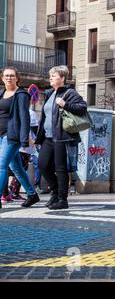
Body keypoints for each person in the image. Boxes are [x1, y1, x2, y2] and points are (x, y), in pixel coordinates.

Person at [35, 65, 88, 210]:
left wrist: (65, 104)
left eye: (54, 76)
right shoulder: (50, 93)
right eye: (50, 75)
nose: (50, 78)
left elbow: (83, 107)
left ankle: (62, 199)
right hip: (48, 137)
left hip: (62, 136)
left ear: (62, 78)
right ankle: (55, 191)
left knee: (60, 168)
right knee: (43, 165)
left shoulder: (69, 92)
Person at [0, 67, 39, 209]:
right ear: (2, 78)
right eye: (6, 76)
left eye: (12, 75)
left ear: (17, 78)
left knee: (1, 165)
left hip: (11, 136)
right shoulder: (1, 93)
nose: (9, 78)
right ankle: (32, 194)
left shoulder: (21, 95)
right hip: (1, 135)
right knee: (16, 168)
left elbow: (24, 118)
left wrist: (24, 140)